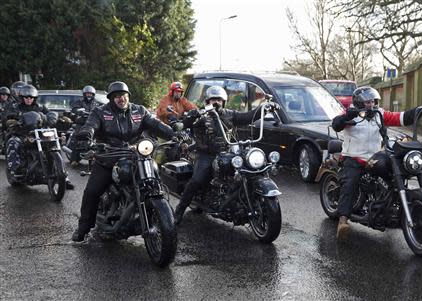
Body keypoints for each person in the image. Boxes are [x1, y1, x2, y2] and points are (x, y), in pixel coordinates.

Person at [72, 81, 179, 242]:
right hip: (108, 157)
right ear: (111, 98)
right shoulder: (100, 112)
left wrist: (175, 134)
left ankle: (155, 214)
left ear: (128, 96)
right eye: (116, 96)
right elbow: (91, 125)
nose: (121, 99)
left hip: (136, 155)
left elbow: (157, 125)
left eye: (123, 95)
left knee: (154, 177)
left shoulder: (139, 111)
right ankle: (83, 228)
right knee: (92, 191)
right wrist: (87, 134)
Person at [173, 85, 279, 225]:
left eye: (219, 99)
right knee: (197, 180)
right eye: (212, 100)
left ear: (224, 101)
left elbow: (248, 116)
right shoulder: (200, 115)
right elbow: (185, 124)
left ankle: (243, 199)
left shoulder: (230, 114)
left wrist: (264, 108)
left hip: (228, 152)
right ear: (207, 101)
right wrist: (190, 117)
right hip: (206, 154)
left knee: (249, 169)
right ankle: (179, 210)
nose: (216, 102)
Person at [331, 86, 422, 240]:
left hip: (374, 157)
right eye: (368, 101)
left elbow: (400, 117)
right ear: (359, 102)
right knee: (350, 183)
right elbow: (336, 124)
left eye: (373, 101)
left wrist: (420, 110)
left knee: (394, 172)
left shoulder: (379, 114)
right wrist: (347, 115)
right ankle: (343, 221)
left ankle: (389, 208)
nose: (371, 104)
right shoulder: (351, 113)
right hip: (353, 157)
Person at [4, 84, 75, 189]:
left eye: (31, 97)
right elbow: (6, 116)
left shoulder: (40, 107)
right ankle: (15, 170)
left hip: (39, 133)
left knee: (54, 144)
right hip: (21, 133)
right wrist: (11, 120)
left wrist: (61, 118)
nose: (29, 99)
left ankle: (63, 177)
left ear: (34, 98)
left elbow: (49, 114)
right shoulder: (15, 107)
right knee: (13, 142)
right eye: (26, 97)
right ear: (22, 98)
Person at [69, 85, 100, 164]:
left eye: (90, 94)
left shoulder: (96, 103)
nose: (89, 95)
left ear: (93, 94)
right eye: (87, 94)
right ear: (84, 94)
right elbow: (74, 108)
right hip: (81, 122)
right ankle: (74, 160)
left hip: (92, 123)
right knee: (78, 138)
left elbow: (101, 109)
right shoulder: (80, 101)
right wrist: (80, 111)